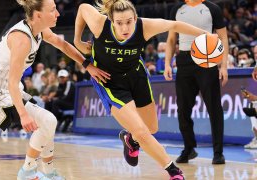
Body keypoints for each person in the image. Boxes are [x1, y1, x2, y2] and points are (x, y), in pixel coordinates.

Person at [74, 0, 208, 179]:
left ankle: (130, 139)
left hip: (136, 76)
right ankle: (173, 171)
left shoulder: (145, 26)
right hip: (110, 82)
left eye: (129, 21)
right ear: (111, 21)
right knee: (142, 131)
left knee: (151, 128)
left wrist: (206, 34)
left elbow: (175, 24)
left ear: (135, 18)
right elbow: (83, 8)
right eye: (119, 23)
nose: (125, 28)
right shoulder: (99, 25)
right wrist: (77, 39)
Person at [0, 0, 110, 179]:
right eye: (53, 10)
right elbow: (11, 81)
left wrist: (87, 65)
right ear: (38, 15)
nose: (58, 14)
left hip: (9, 87)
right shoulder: (22, 39)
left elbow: (62, 45)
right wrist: (23, 114)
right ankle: (27, 172)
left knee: (47, 124)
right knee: (48, 121)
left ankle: (48, 172)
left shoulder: (37, 29)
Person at [164, 0, 229, 165]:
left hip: (207, 61)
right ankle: (189, 148)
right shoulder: (177, 9)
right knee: (182, 109)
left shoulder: (212, 8)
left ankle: (218, 152)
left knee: (214, 108)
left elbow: (223, 37)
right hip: (184, 61)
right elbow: (171, 40)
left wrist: (224, 66)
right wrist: (167, 64)